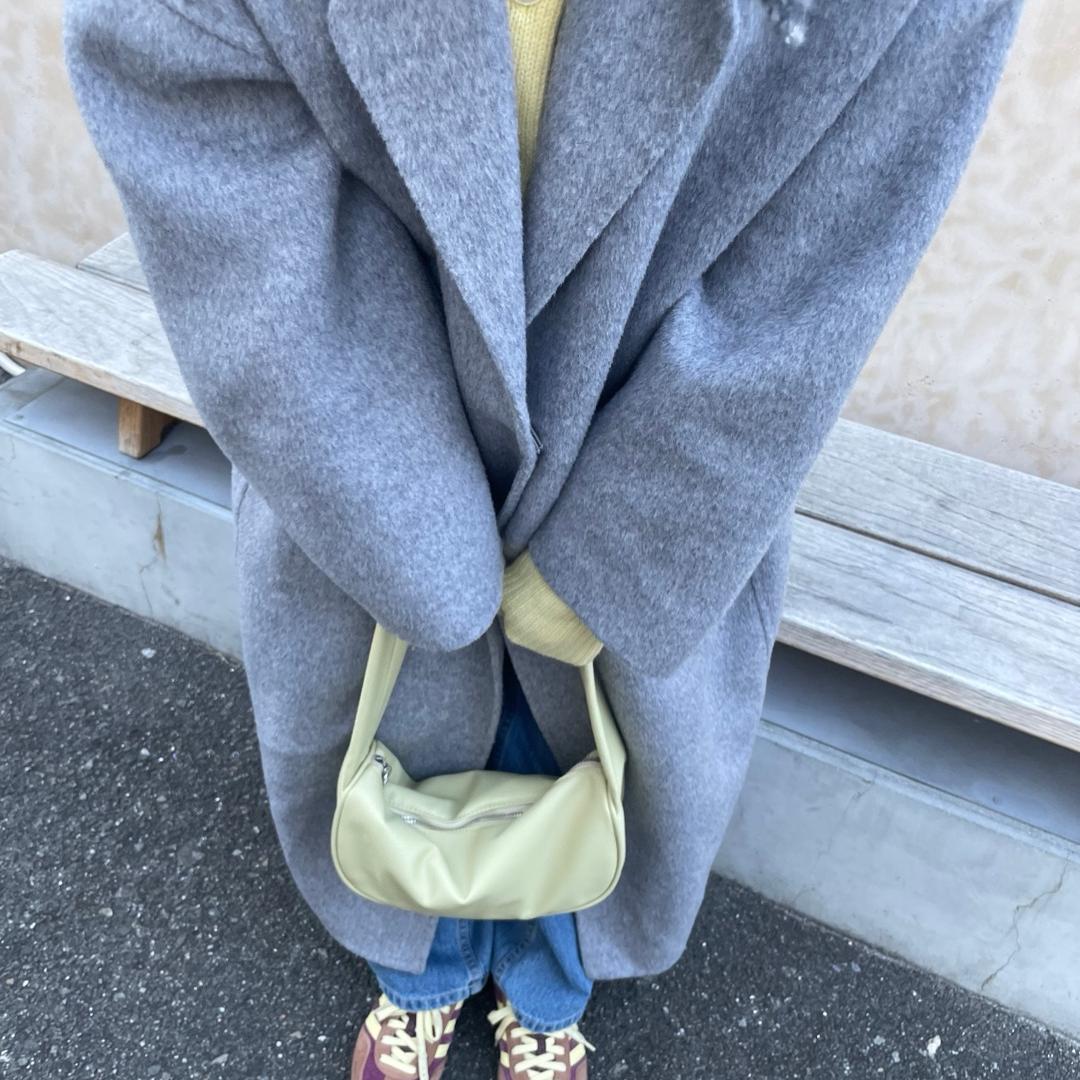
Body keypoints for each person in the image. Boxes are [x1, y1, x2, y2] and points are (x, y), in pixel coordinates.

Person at [63, 0, 1022, 1076]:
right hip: (363, 429)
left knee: (585, 753)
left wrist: (621, 553)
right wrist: (413, 534)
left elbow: (819, 268)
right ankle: (422, 979)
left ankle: (546, 991)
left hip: (649, 431)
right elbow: (189, 103)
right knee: (400, 730)